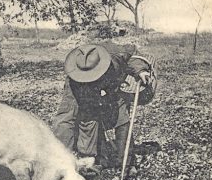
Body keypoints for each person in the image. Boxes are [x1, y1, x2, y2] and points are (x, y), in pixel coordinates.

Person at [52, 43, 153, 171]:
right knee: (85, 117)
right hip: (83, 88)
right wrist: (61, 158)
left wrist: (141, 70)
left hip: (112, 86)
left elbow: (134, 57)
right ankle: (81, 156)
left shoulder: (116, 55)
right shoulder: (74, 80)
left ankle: (125, 160)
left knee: (122, 117)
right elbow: (65, 118)